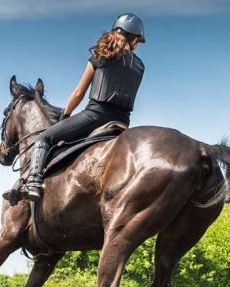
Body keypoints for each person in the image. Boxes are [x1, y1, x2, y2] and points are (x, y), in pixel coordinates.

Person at [24, 13, 145, 203]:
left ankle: (32, 182)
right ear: (135, 39)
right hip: (122, 124)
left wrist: (65, 116)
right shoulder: (140, 66)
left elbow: (79, 93)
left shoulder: (101, 53)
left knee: (44, 138)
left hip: (95, 117)